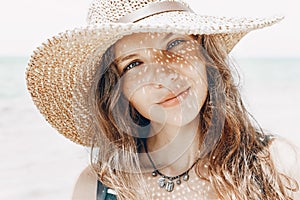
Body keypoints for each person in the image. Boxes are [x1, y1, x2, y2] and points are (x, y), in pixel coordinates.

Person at [25, 0, 300, 199]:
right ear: (118, 91)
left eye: (174, 44)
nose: (164, 74)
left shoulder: (277, 164)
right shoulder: (95, 188)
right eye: (134, 64)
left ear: (204, 52)